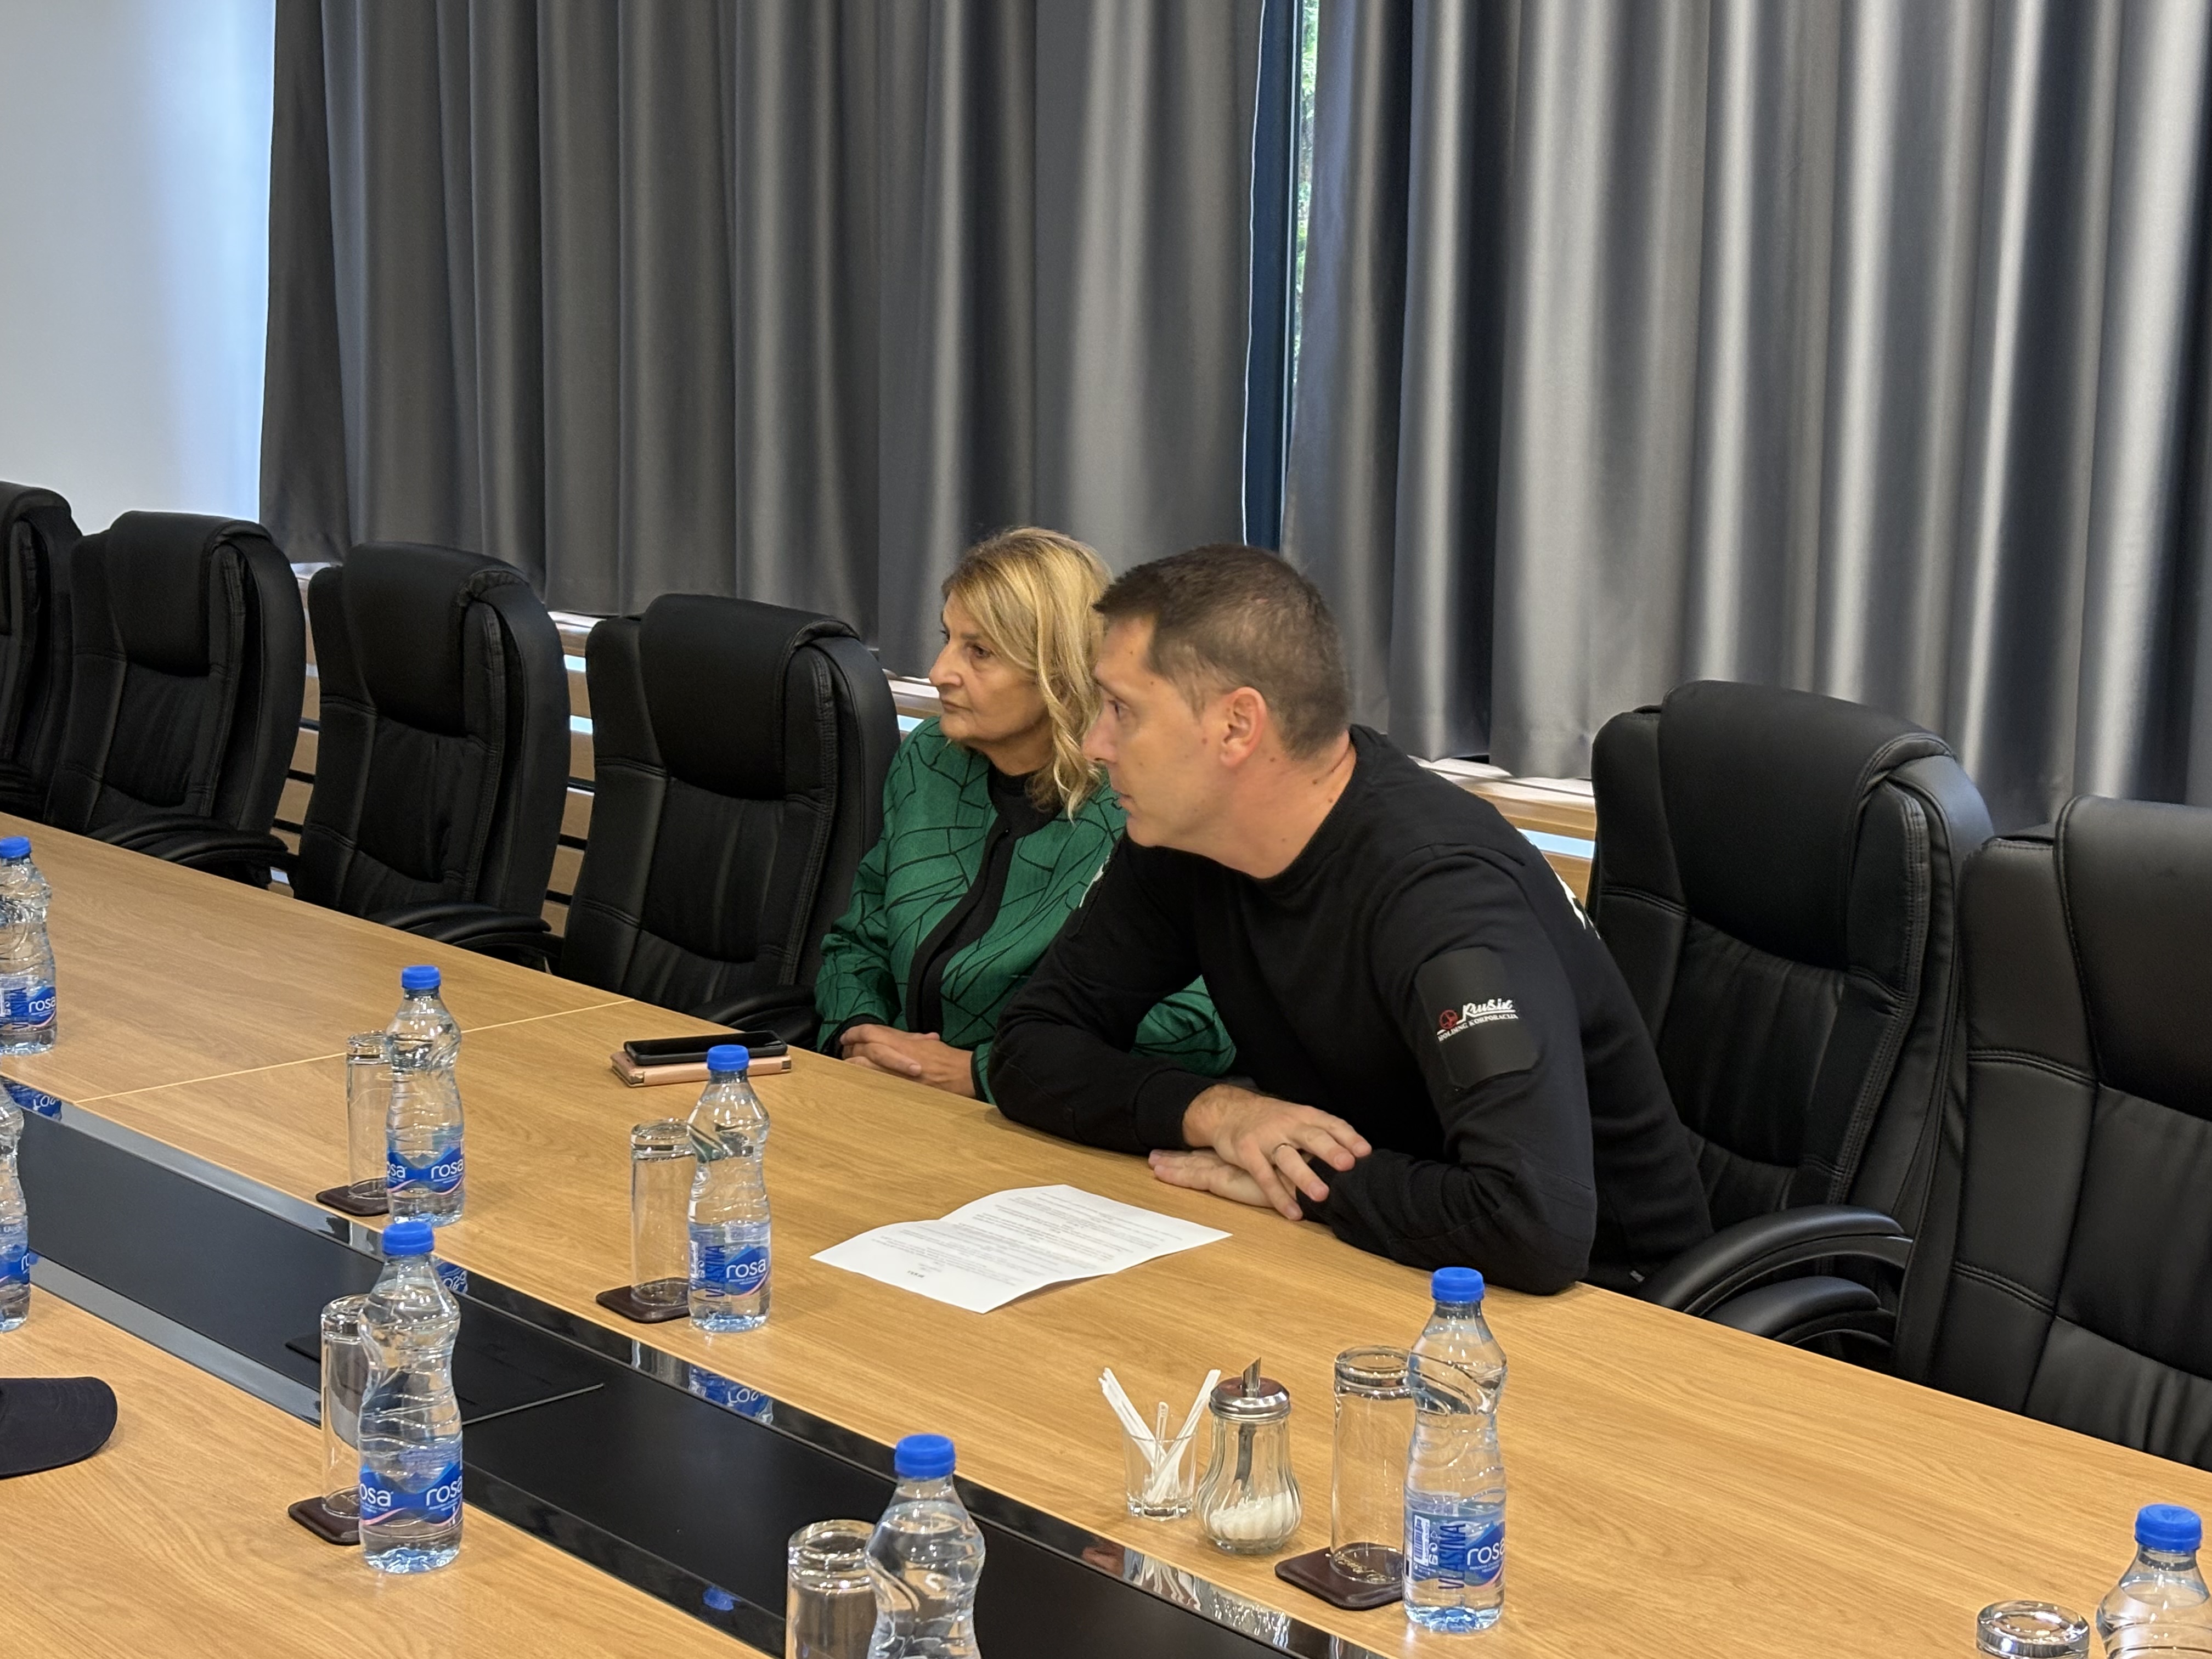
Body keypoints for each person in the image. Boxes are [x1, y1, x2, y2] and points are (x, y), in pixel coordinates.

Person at [989, 545, 1712, 1293]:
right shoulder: (1188, 838)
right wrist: (1217, 1114)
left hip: (1609, 1305)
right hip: (1375, 1255)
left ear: (1238, 725)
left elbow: (1531, 1224)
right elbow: (1031, 1045)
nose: (1094, 744)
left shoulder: (1443, 896)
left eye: (1122, 711)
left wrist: (1306, 1179)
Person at [814, 528, 1234, 1101]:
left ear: (1058, 669)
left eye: (980, 652)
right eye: (948, 639)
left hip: (1043, 1113)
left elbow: (1200, 1024)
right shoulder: (929, 759)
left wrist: (985, 1071)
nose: (939, 672)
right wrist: (860, 1035)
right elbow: (859, 939)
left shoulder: (1141, 804)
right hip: (887, 1093)